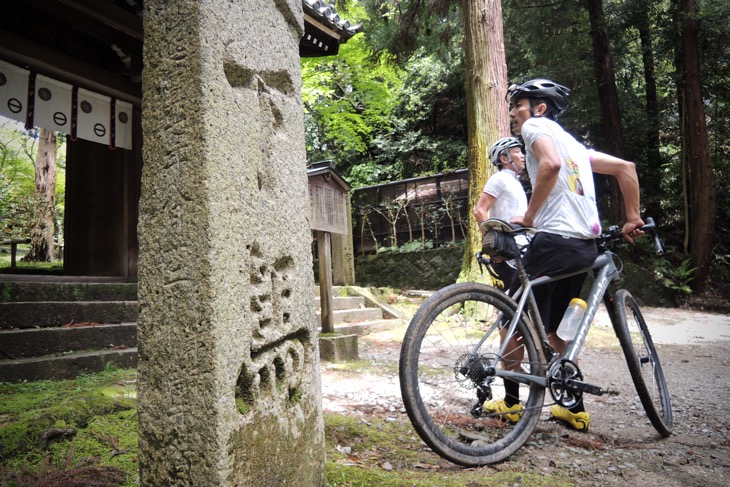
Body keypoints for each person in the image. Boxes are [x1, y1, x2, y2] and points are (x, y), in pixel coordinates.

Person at [484, 78, 644, 431]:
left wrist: (528, 217)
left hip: (553, 241)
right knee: (558, 331)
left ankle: (511, 404)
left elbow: (551, 165)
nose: (513, 113)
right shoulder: (576, 146)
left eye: (518, 106)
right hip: (583, 248)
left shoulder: (535, 127)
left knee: (512, 321)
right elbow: (626, 168)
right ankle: (573, 408)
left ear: (540, 109)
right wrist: (633, 217)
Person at [473, 136, 528, 289]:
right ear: (504, 158)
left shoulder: (515, 182)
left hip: (521, 247)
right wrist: (495, 247)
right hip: (508, 251)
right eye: (517, 152)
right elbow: (479, 211)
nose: (522, 155)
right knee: (515, 301)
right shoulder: (499, 178)